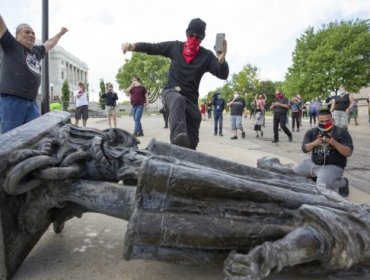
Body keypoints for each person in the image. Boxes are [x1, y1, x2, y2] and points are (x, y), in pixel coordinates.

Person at [121, 18, 229, 149]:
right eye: (191, 36)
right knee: (178, 100)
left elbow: (222, 74)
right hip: (171, 93)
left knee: (192, 136)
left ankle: (186, 147)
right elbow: (154, 47)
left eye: (198, 37)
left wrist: (221, 60)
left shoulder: (206, 56)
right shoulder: (175, 47)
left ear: (202, 39)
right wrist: (134, 46)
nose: (194, 39)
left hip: (191, 100)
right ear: (186, 34)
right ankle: (178, 137)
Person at [0, 14, 68, 133]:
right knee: (11, 139)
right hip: (13, 101)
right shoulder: (11, 45)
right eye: (27, 32)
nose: (31, 35)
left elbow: (50, 43)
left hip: (32, 102)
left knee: (33, 138)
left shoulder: (36, 52)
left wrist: (60, 33)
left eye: (33, 33)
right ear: (17, 36)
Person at [293, 109, 353, 196]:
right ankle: (316, 177)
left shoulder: (341, 132)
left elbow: (348, 152)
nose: (324, 123)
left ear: (332, 120)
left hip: (333, 165)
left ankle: (343, 182)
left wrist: (334, 143)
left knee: (321, 188)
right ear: (318, 120)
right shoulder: (312, 132)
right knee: (290, 174)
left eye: (327, 121)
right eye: (321, 121)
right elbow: (304, 149)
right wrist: (314, 143)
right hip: (313, 163)